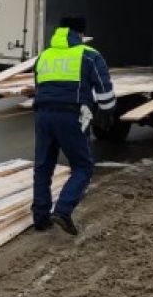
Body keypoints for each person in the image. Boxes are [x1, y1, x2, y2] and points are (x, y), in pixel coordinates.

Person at [32, 17, 115, 235]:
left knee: (43, 167)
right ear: (80, 33)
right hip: (71, 116)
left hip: (43, 115)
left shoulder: (44, 55)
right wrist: (107, 112)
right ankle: (63, 209)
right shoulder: (89, 55)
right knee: (83, 166)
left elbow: (38, 85)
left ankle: (40, 218)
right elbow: (104, 87)